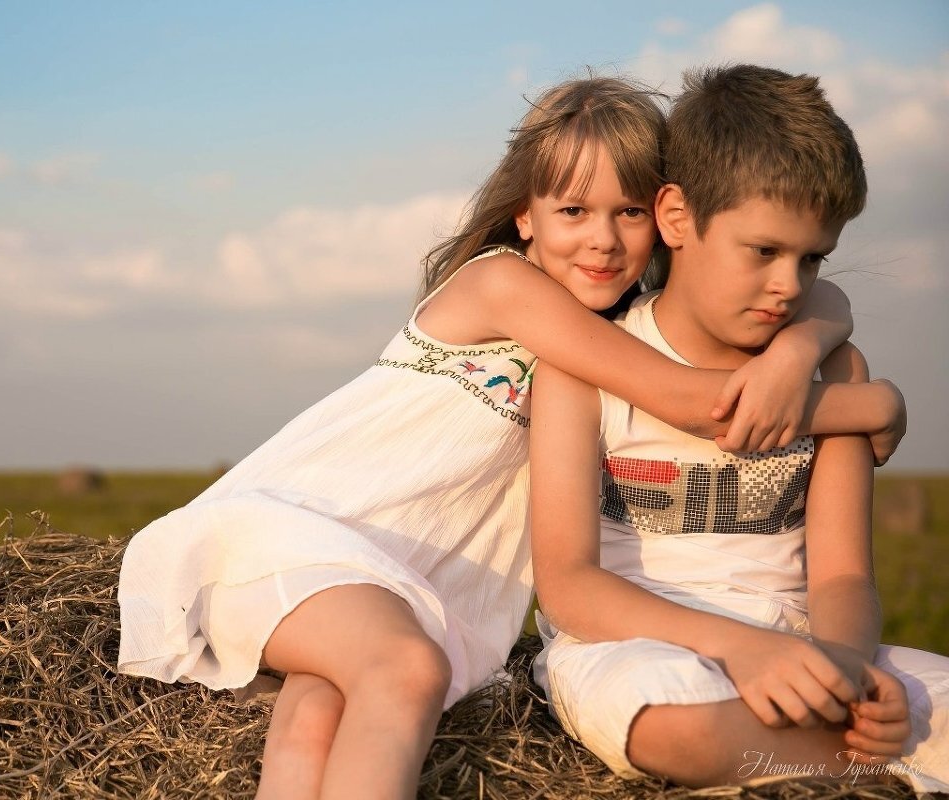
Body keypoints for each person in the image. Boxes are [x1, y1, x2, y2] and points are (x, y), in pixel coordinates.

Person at [118, 76, 905, 800]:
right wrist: (870, 404)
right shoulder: (504, 284)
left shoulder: (605, 329)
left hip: (399, 569)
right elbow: (694, 402)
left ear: (664, 222)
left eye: (627, 213)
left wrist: (804, 345)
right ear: (524, 214)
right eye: (572, 211)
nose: (601, 240)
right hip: (310, 529)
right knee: (403, 671)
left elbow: (818, 288)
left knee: (319, 710)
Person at [529, 64, 948, 793]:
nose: (790, 285)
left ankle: (855, 743)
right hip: (635, 644)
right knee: (677, 729)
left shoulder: (837, 372)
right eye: (764, 252)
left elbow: (844, 573)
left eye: (812, 257)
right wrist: (744, 652)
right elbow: (569, 588)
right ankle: (881, 762)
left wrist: (847, 674)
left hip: (805, 644)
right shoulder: (586, 366)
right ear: (677, 217)